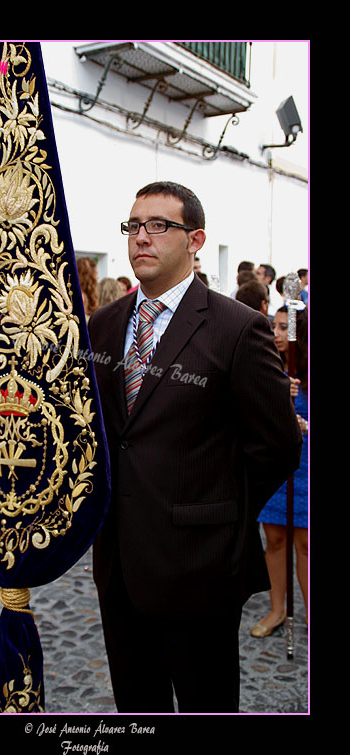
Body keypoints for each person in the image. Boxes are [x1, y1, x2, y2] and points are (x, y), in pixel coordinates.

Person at [87, 181, 302, 713]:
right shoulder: (104, 326)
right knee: (137, 705)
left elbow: (275, 445)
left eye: (158, 225)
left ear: (195, 239)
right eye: (134, 226)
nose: (142, 237)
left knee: (206, 702)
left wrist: (219, 517)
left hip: (200, 568)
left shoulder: (237, 327)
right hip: (120, 562)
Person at [250, 307, 308, 637]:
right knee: (273, 539)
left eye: (285, 327)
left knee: (304, 544)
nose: (278, 333)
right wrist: (275, 397)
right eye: (274, 325)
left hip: (305, 468)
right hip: (273, 463)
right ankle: (276, 609)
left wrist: (303, 424)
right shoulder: (265, 364)